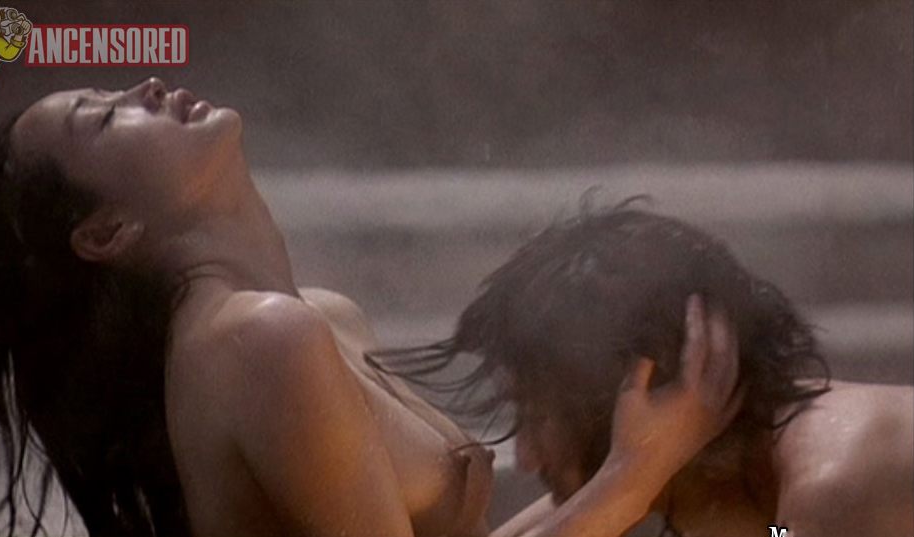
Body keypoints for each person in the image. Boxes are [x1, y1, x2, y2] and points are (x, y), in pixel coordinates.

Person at [0, 79, 741, 537]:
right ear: (107, 232)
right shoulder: (258, 341)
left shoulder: (319, 317)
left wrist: (640, 464)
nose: (145, 87)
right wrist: (631, 477)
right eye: (106, 119)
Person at [390, 205, 913, 537]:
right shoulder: (686, 465)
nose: (525, 457)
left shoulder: (839, 478)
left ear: (644, 390)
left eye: (536, 416)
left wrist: (626, 481)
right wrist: (624, 482)